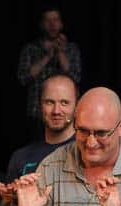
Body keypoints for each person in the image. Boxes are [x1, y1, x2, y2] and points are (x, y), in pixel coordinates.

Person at [17, 7, 81, 141]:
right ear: (41, 24)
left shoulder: (71, 49)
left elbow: (75, 77)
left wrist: (60, 53)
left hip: (64, 114)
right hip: (37, 114)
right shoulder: (30, 49)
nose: (52, 24)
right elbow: (23, 78)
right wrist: (49, 55)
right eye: (48, 20)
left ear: (61, 24)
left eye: (55, 20)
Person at [6, 73, 78, 182]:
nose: (56, 111)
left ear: (77, 105)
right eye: (49, 102)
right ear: (40, 105)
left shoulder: (88, 151)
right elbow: (7, 199)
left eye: (64, 103)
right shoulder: (20, 158)